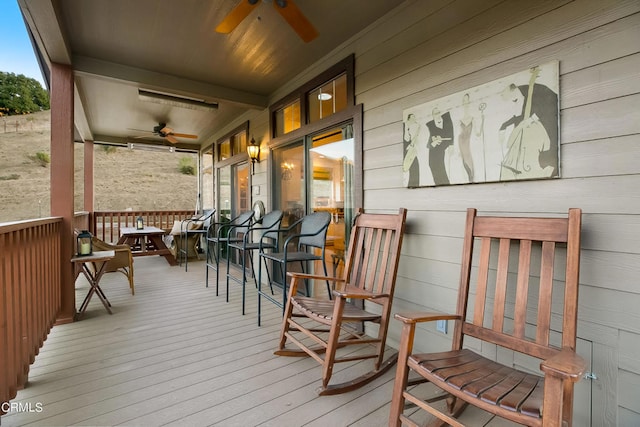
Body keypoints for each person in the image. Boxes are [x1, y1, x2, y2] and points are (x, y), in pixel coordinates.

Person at [498, 77, 559, 179]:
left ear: (514, 90)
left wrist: (531, 119)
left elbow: (548, 104)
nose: (513, 101)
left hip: (545, 123)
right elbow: (519, 117)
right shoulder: (518, 96)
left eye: (512, 98)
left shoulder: (535, 90)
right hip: (528, 126)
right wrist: (504, 126)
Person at [425, 107, 453, 185]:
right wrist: (433, 142)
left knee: (440, 167)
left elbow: (450, 136)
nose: (437, 115)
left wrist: (451, 145)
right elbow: (429, 143)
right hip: (433, 151)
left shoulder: (447, 123)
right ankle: (439, 184)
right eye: (435, 114)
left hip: (441, 150)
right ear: (433, 115)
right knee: (433, 165)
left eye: (438, 113)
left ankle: (445, 184)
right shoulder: (431, 126)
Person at [402, 113, 421, 187]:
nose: (414, 119)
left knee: (415, 167)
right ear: (408, 118)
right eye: (413, 117)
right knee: (413, 167)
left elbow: (410, 141)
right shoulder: (403, 126)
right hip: (405, 150)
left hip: (409, 149)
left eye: (415, 118)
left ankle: (413, 186)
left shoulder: (408, 129)